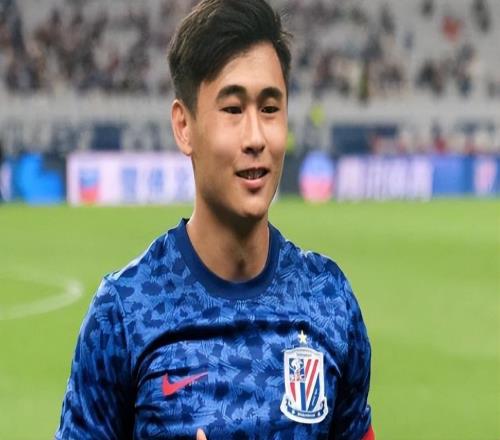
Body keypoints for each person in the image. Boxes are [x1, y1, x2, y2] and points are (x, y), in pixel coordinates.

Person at [56, 0, 374, 439]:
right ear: (184, 127)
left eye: (270, 108)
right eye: (232, 109)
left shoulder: (330, 299)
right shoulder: (124, 312)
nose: (255, 137)